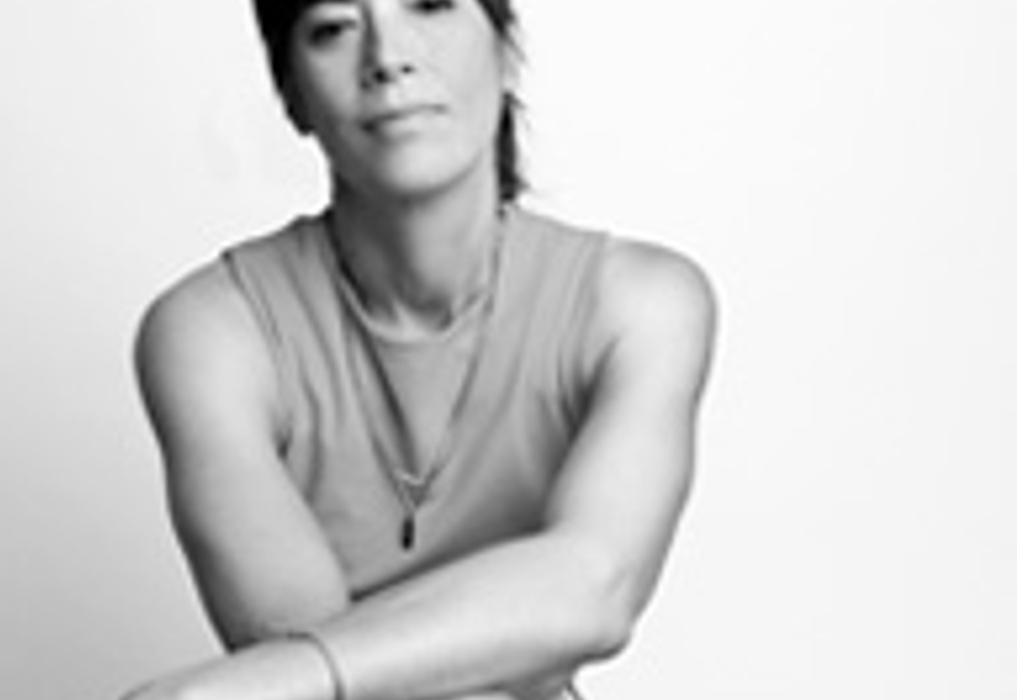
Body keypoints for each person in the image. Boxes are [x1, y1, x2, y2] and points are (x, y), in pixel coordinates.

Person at [123, 0, 717, 699]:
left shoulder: (638, 304)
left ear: (506, 52)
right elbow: (296, 651)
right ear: (292, 96)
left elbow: (595, 583)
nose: (387, 58)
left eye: (430, 5)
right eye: (333, 28)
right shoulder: (215, 332)